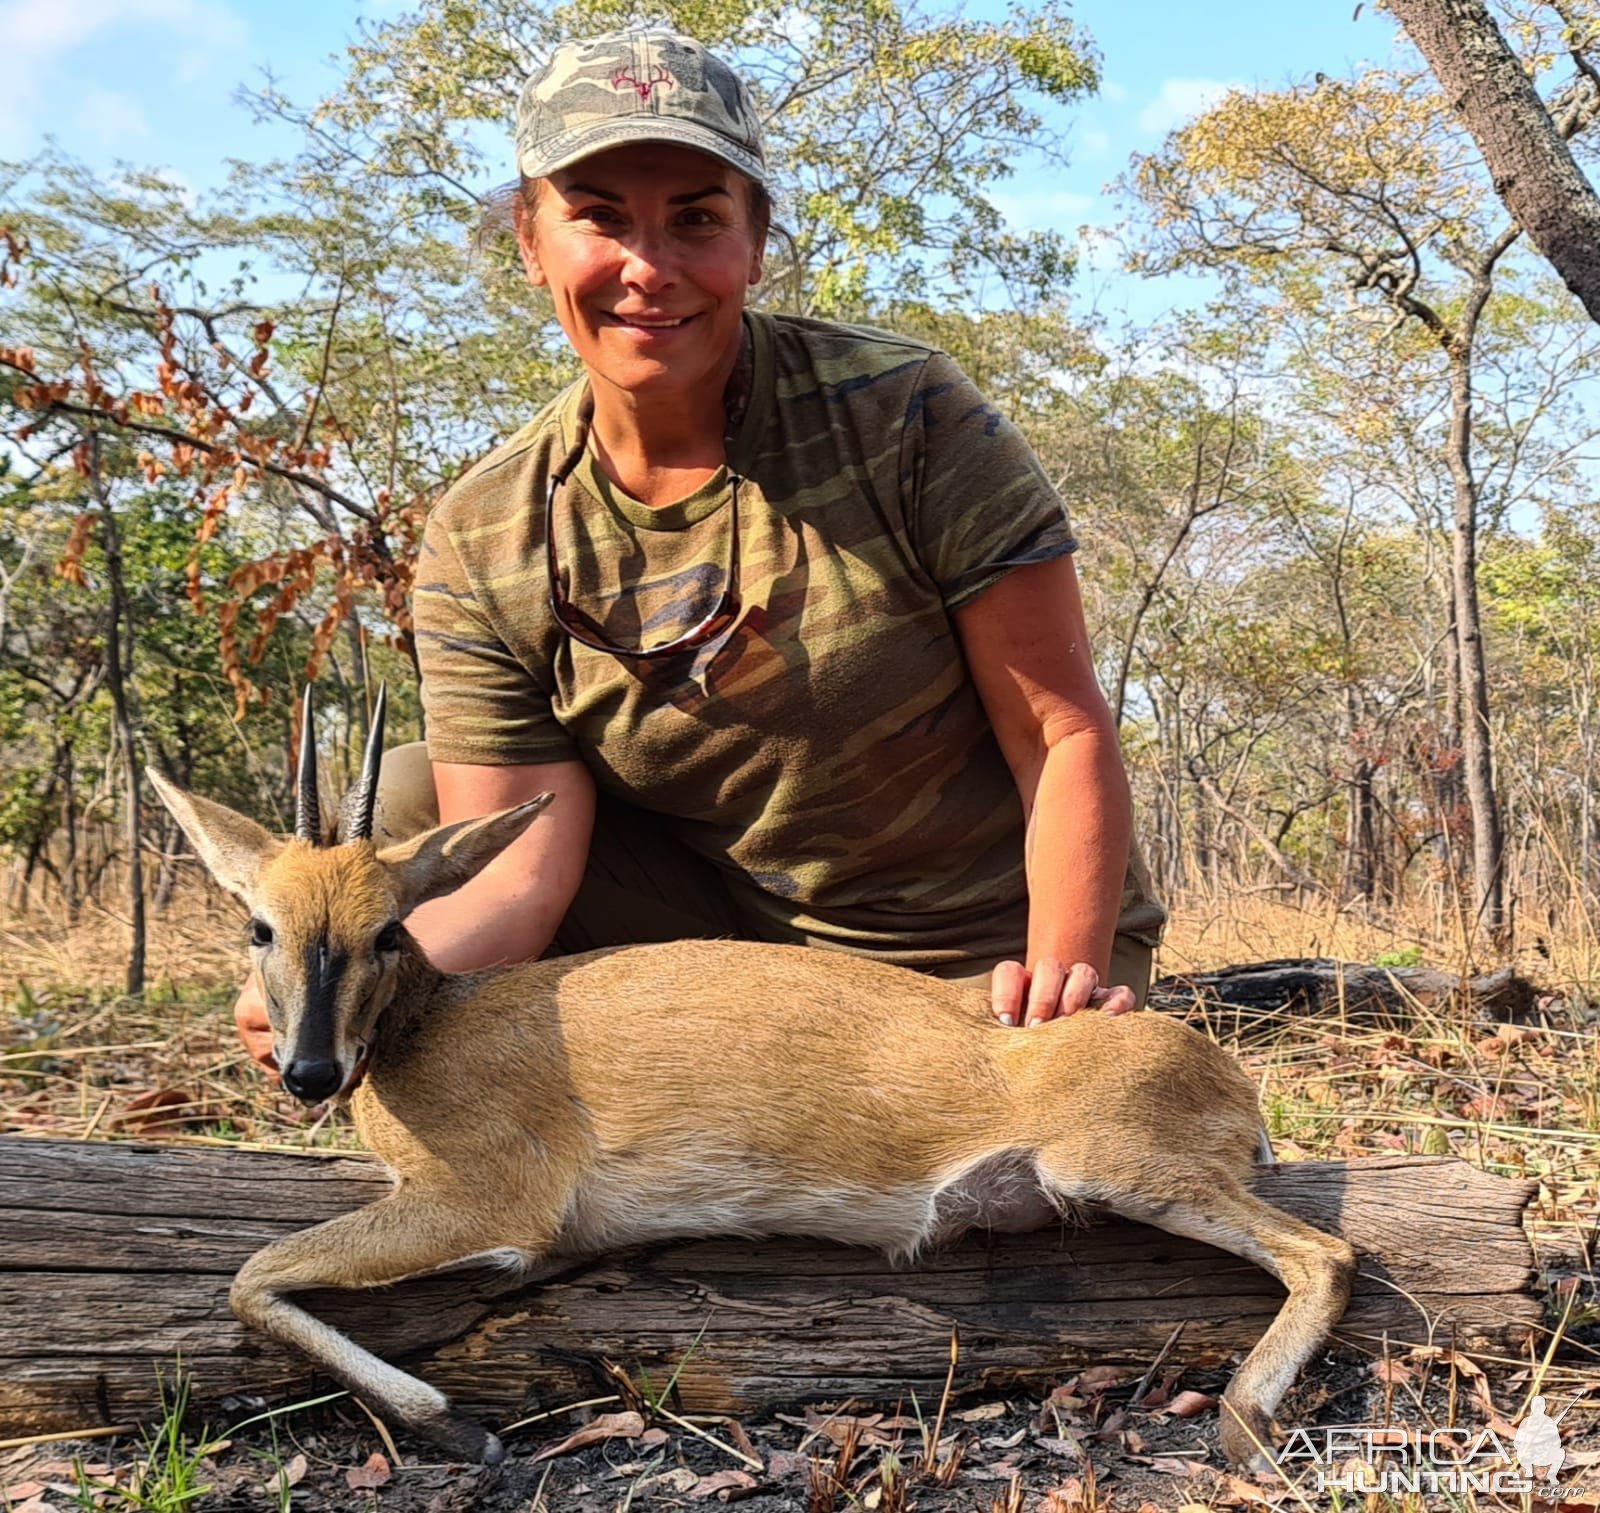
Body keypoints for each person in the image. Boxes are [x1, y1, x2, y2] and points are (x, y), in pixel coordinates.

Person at [234, 28, 1166, 1074]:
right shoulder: (483, 529)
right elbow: (517, 871)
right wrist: (334, 985)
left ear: (755, 241)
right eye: (598, 216)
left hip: (978, 946)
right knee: (411, 803)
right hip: (722, 945)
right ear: (530, 241)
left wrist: (1067, 981)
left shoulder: (905, 415)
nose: (648, 267)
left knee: (985, 1166)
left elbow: (1060, 731)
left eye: (696, 218)